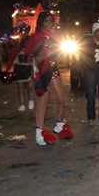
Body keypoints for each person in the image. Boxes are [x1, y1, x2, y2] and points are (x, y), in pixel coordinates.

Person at [25, 11, 74, 146]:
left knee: (61, 100)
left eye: (51, 22)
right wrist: (41, 43)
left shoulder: (55, 36)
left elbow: (62, 51)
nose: (49, 24)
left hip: (53, 69)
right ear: (41, 22)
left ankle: (59, 123)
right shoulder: (35, 36)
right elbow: (29, 54)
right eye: (46, 21)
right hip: (40, 70)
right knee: (42, 101)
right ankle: (39, 131)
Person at [8, 38, 34, 112]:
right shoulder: (17, 50)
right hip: (20, 71)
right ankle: (22, 104)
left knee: (28, 88)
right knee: (22, 89)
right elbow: (12, 59)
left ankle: (30, 101)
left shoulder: (30, 51)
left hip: (26, 71)